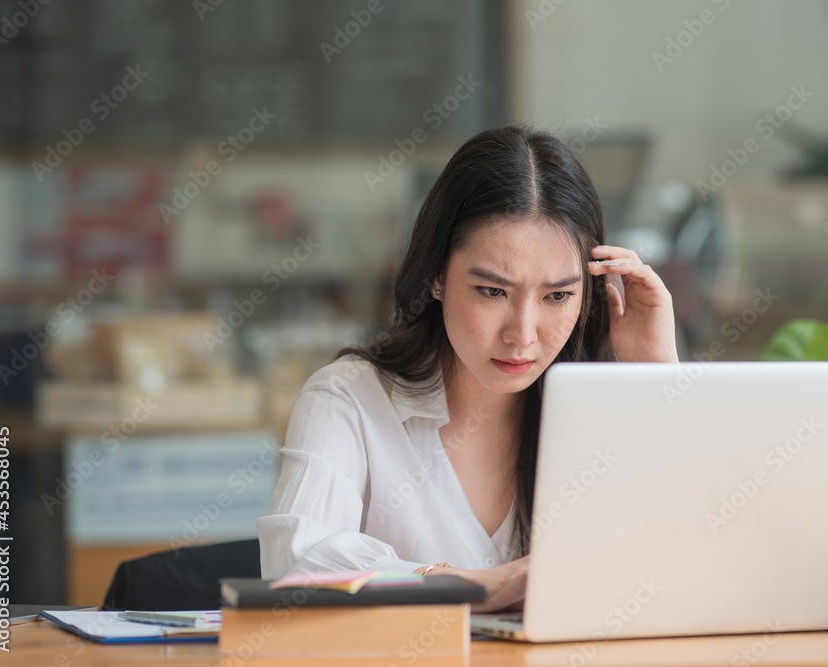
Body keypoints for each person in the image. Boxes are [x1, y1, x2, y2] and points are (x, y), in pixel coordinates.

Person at [257, 125, 678, 613]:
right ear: (437, 274)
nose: (522, 334)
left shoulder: (603, 404)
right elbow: (296, 563)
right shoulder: (348, 400)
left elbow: (696, 556)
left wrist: (658, 383)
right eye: (493, 291)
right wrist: (469, 585)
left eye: (557, 296)